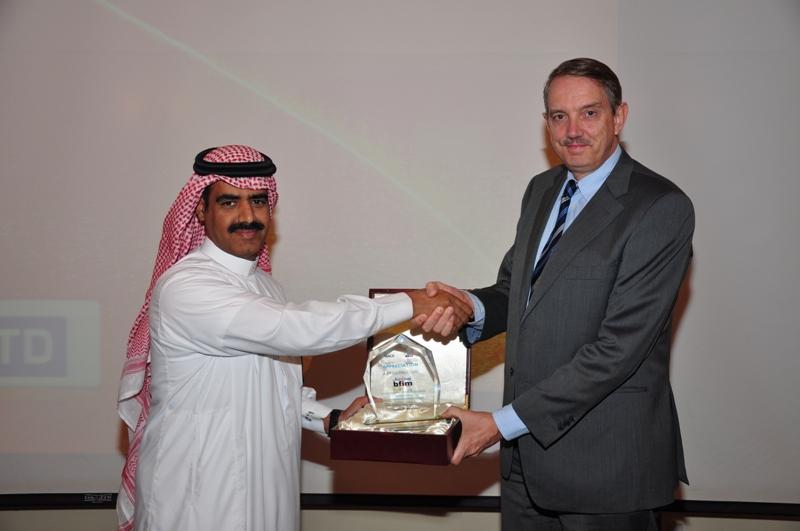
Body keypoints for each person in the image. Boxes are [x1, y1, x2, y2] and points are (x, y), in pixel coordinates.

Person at [116, 144, 469, 531]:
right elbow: (299, 329)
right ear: (201, 210)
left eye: (258, 201)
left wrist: (328, 418)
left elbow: (272, 382)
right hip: (198, 494)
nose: (247, 216)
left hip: (269, 485)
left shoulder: (266, 288)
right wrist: (409, 303)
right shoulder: (186, 287)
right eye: (229, 202)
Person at [417, 58, 694, 530]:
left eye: (589, 113)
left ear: (619, 117)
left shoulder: (660, 207)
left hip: (604, 467)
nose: (573, 131)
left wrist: (499, 424)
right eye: (559, 116)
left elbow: (618, 350)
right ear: (546, 123)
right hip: (525, 465)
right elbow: (518, 290)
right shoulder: (543, 189)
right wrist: (468, 307)